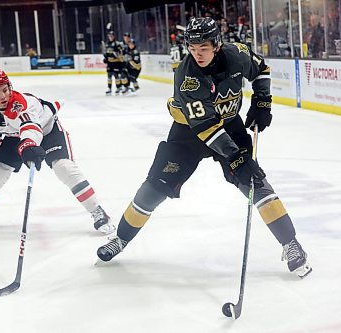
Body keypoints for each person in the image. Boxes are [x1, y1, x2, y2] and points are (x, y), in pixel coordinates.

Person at [97, 17, 312, 278]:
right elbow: (207, 128)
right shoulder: (187, 77)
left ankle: (290, 243)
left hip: (230, 126)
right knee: (153, 189)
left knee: (255, 182)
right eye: (192, 48)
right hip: (190, 132)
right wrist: (237, 158)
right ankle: (121, 239)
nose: (197, 54)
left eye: (203, 48)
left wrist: (262, 101)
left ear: (217, 45)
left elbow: (262, 70)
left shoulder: (238, 54)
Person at [0, 68, 115, 235]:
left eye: (5, 90)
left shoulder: (21, 103)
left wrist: (28, 146)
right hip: (18, 135)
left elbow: (31, 128)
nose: (3, 96)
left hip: (48, 130)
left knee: (64, 168)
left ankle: (97, 210)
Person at [103, 31, 126, 95]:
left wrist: (116, 57)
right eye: (109, 36)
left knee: (116, 76)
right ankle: (109, 89)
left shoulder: (117, 44)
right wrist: (106, 59)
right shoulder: (107, 44)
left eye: (111, 36)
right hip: (110, 64)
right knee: (109, 76)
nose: (110, 37)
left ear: (113, 36)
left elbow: (120, 54)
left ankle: (118, 88)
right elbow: (106, 53)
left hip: (116, 63)